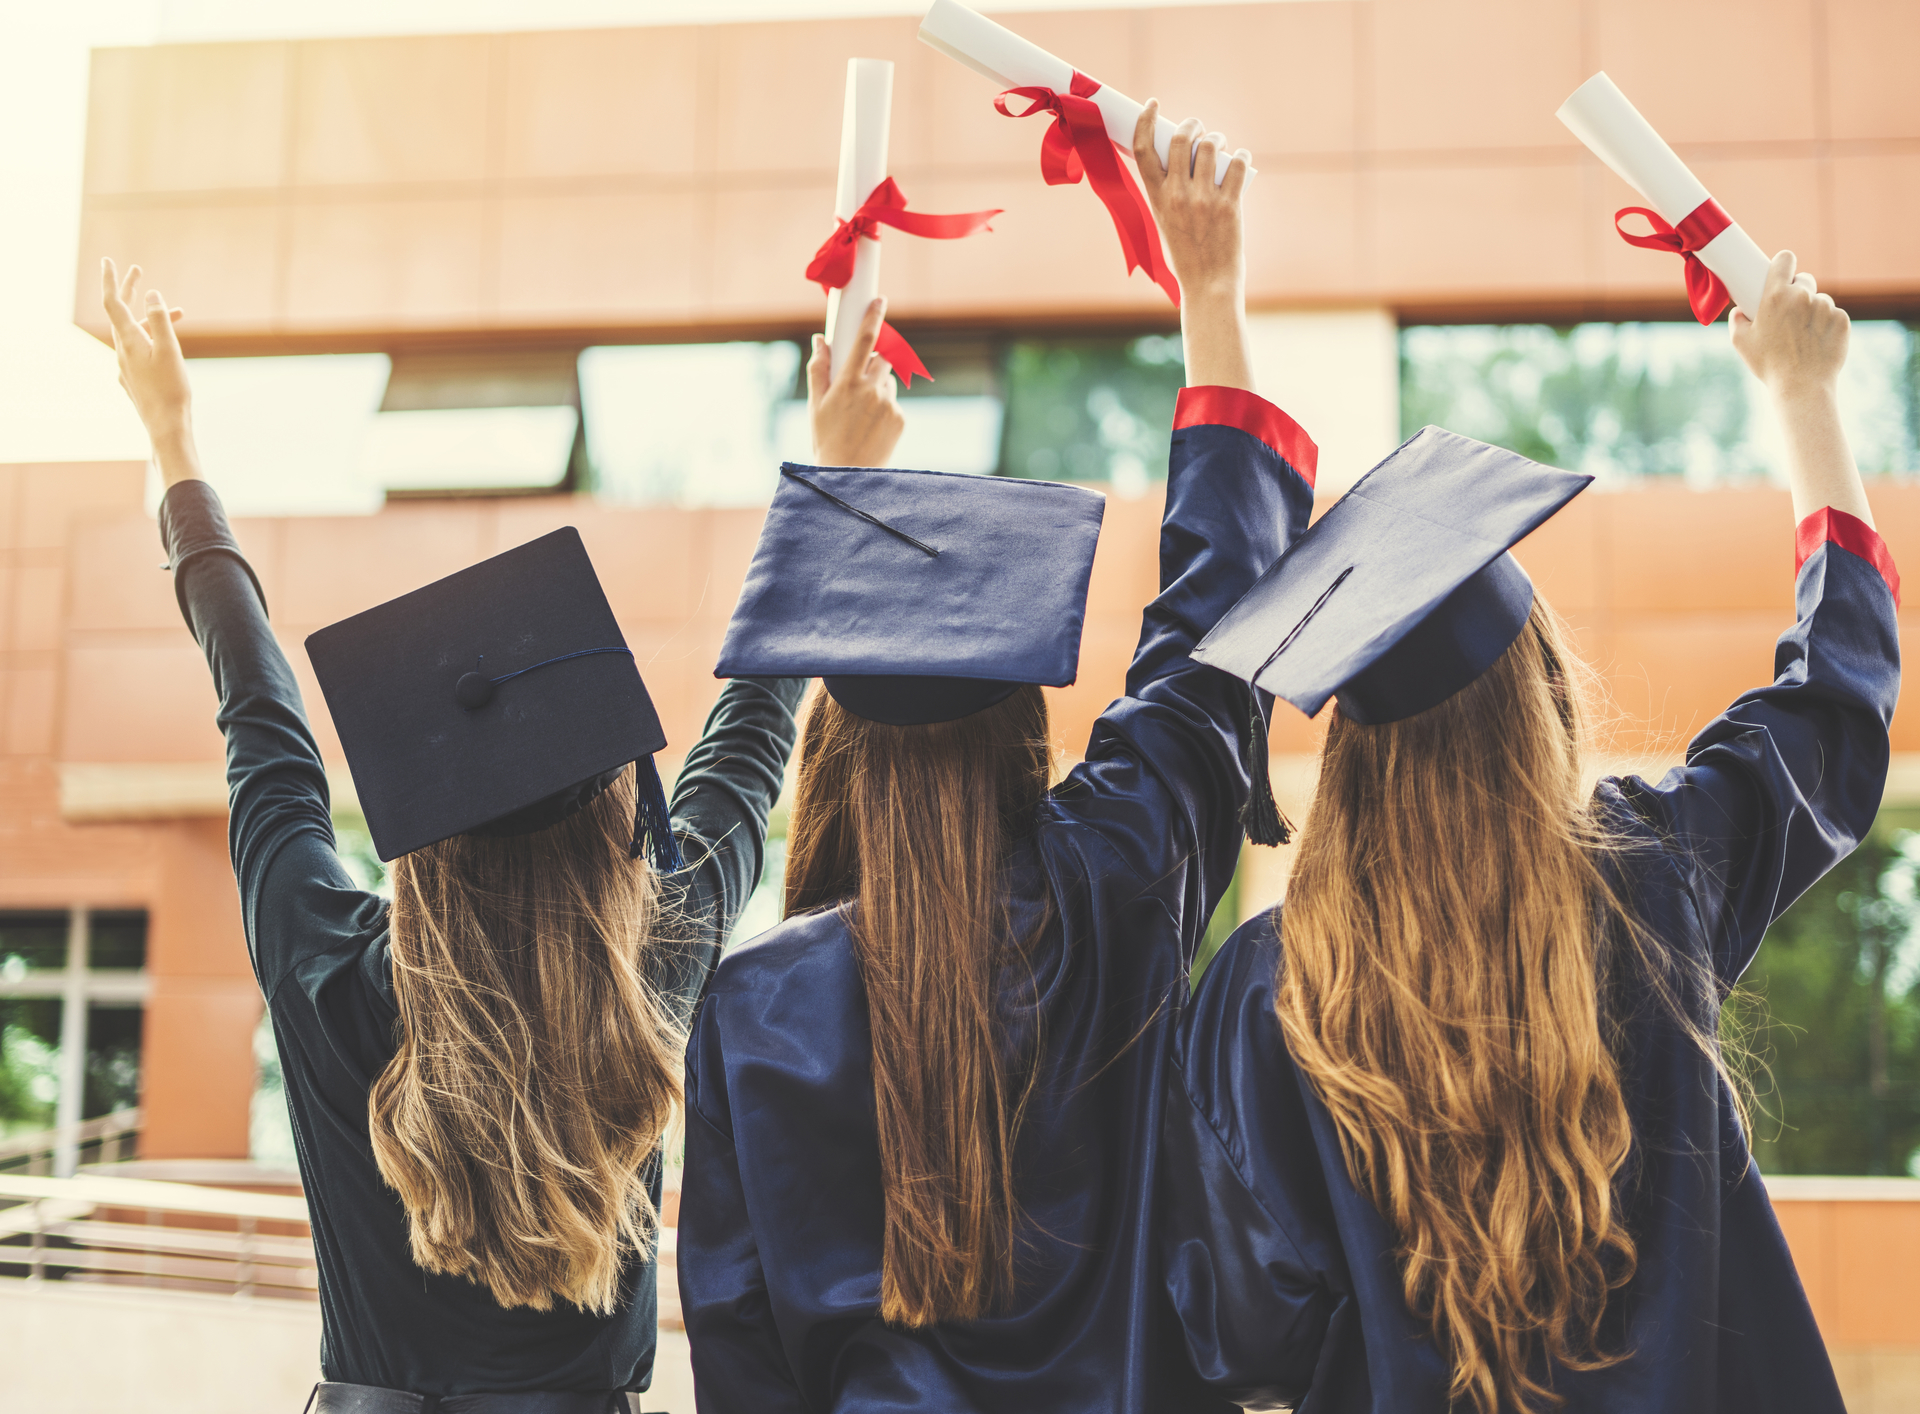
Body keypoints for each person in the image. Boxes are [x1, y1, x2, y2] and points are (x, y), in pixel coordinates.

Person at [101, 258, 907, 1410]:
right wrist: (825, 478)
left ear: (421, 835)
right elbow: (749, 734)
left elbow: (259, 710)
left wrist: (174, 441)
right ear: (616, 821)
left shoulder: (327, 969)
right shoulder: (653, 966)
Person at [1161, 251, 1901, 1414]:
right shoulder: (1653, 873)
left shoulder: (1268, 993)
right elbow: (1832, 710)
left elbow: (1230, 1335)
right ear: (1543, 693)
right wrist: (1802, 396)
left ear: (1350, 748)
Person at [676, 106, 1315, 1413]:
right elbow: (1209, 631)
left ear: (834, 741)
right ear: (1025, 721)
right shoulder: (1117, 876)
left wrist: (834, 478)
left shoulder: (755, 1006)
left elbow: (743, 1354)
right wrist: (1211, 290)